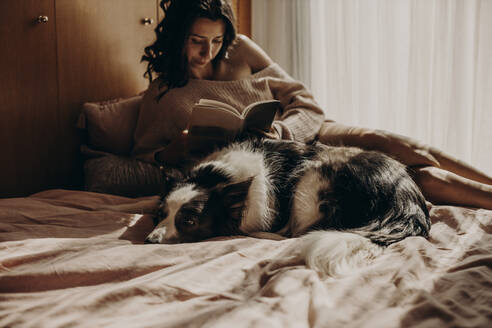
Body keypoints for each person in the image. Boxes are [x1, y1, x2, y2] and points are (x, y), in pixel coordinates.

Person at [132, 0, 492, 210]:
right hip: (279, 162)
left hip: (309, 131)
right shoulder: (163, 93)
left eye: (216, 40)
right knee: (413, 179)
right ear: (178, 36)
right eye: (197, 41)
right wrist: (172, 151)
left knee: (407, 147)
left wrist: (283, 128)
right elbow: (140, 160)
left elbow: (305, 102)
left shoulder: (241, 49)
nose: (208, 52)